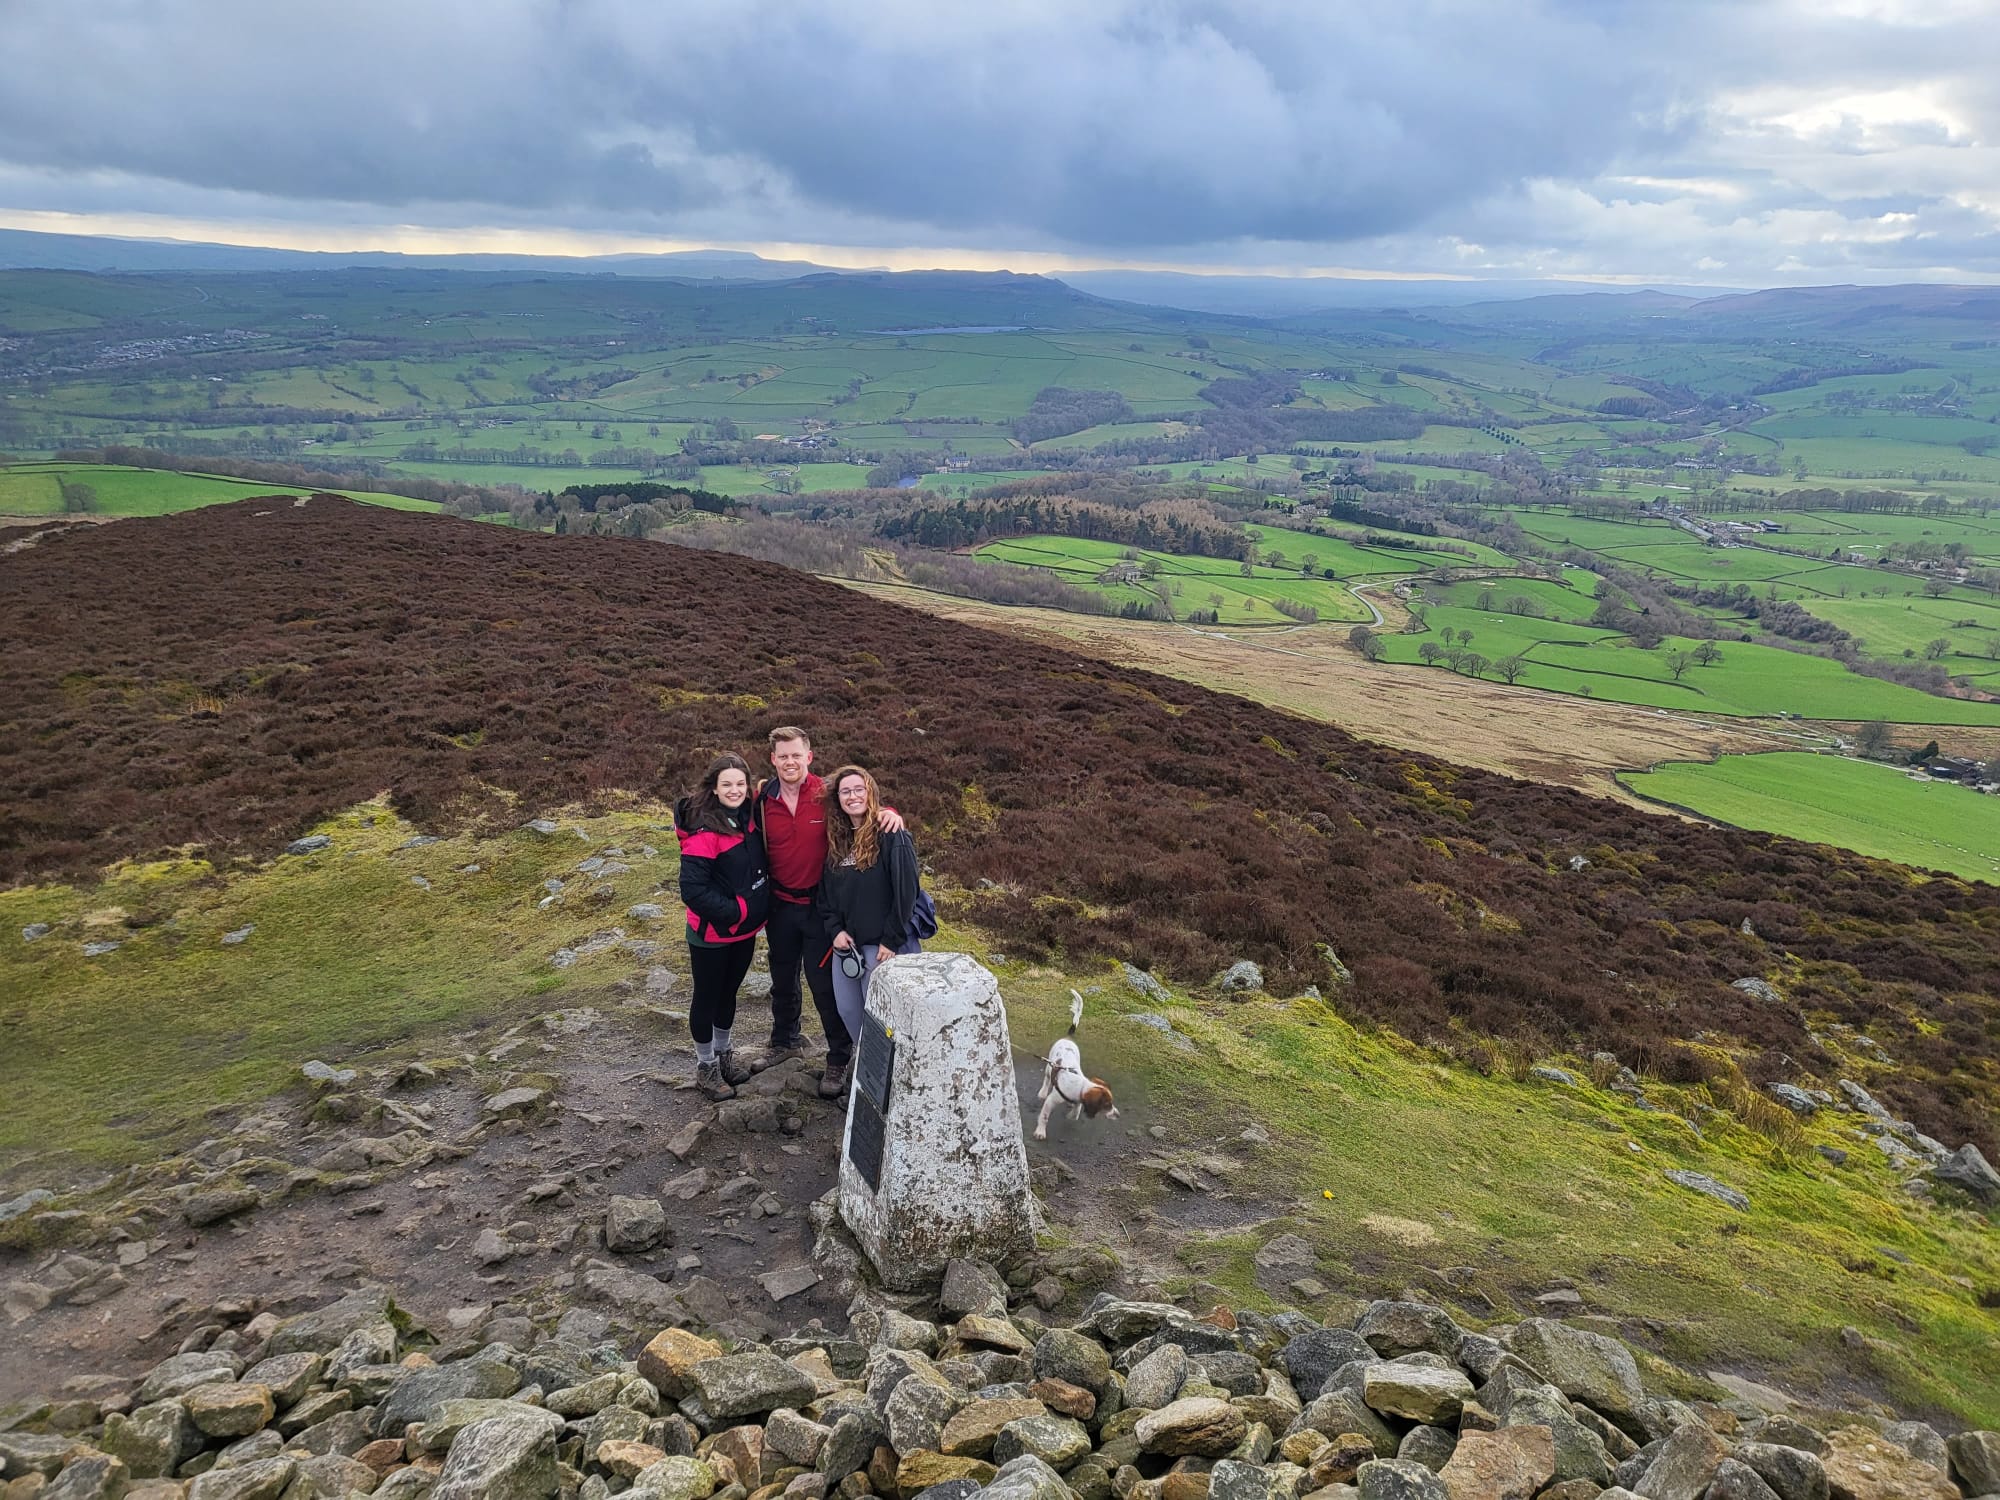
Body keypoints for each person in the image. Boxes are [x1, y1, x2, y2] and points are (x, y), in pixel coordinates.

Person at [752, 726, 902, 1097]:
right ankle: (784, 1041)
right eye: (783, 756)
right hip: (779, 905)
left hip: (820, 908)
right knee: (782, 977)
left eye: (796, 755)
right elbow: (725, 803)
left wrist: (891, 812)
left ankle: (838, 1057)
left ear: (809, 756)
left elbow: (861, 805)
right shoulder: (762, 798)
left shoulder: (826, 794)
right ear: (773, 759)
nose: (790, 762)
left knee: (825, 987)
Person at [814, 764, 922, 1095]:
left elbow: (906, 891)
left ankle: (891, 1087)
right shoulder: (837, 841)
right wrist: (834, 930)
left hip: (883, 948)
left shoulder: (892, 835)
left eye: (858, 789)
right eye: (845, 791)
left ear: (871, 792)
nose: (852, 796)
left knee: (882, 1020)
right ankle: (870, 1078)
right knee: (850, 1011)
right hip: (847, 948)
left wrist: (891, 940)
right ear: (838, 799)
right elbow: (825, 896)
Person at [674, 752, 770, 1101]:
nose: (735, 790)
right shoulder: (704, 829)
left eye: (740, 784)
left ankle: (723, 1054)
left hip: (744, 930)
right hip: (712, 933)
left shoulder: (748, 816)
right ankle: (706, 1066)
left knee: (729, 993)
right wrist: (737, 911)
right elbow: (692, 890)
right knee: (707, 997)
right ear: (714, 788)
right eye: (727, 784)